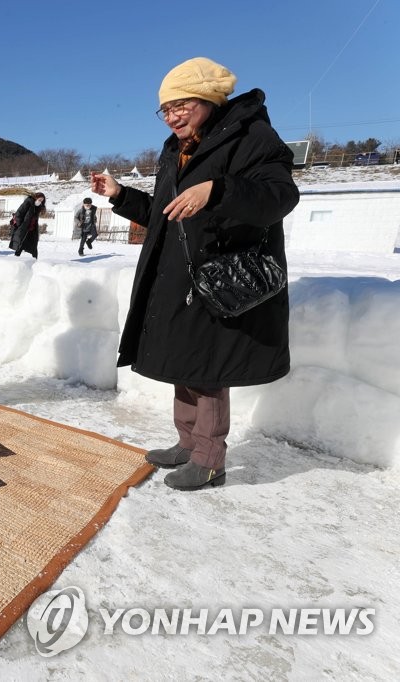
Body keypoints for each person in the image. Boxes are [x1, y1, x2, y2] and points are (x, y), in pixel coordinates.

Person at [90, 57, 298, 491]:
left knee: (208, 371)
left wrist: (217, 190)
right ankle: (187, 444)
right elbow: (166, 215)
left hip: (220, 276)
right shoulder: (176, 149)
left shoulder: (251, 136)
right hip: (180, 275)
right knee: (184, 364)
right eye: (165, 109)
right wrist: (122, 195)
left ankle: (209, 461)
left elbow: (279, 196)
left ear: (208, 98)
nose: (172, 116)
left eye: (181, 104)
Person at [8, 192, 46, 258]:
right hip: (24, 228)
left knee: (33, 246)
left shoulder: (37, 207)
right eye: (40, 200)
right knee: (20, 245)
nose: (40, 202)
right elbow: (19, 213)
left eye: (42, 201)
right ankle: (15, 260)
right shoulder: (28, 202)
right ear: (36, 198)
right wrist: (21, 225)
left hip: (32, 230)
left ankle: (34, 261)